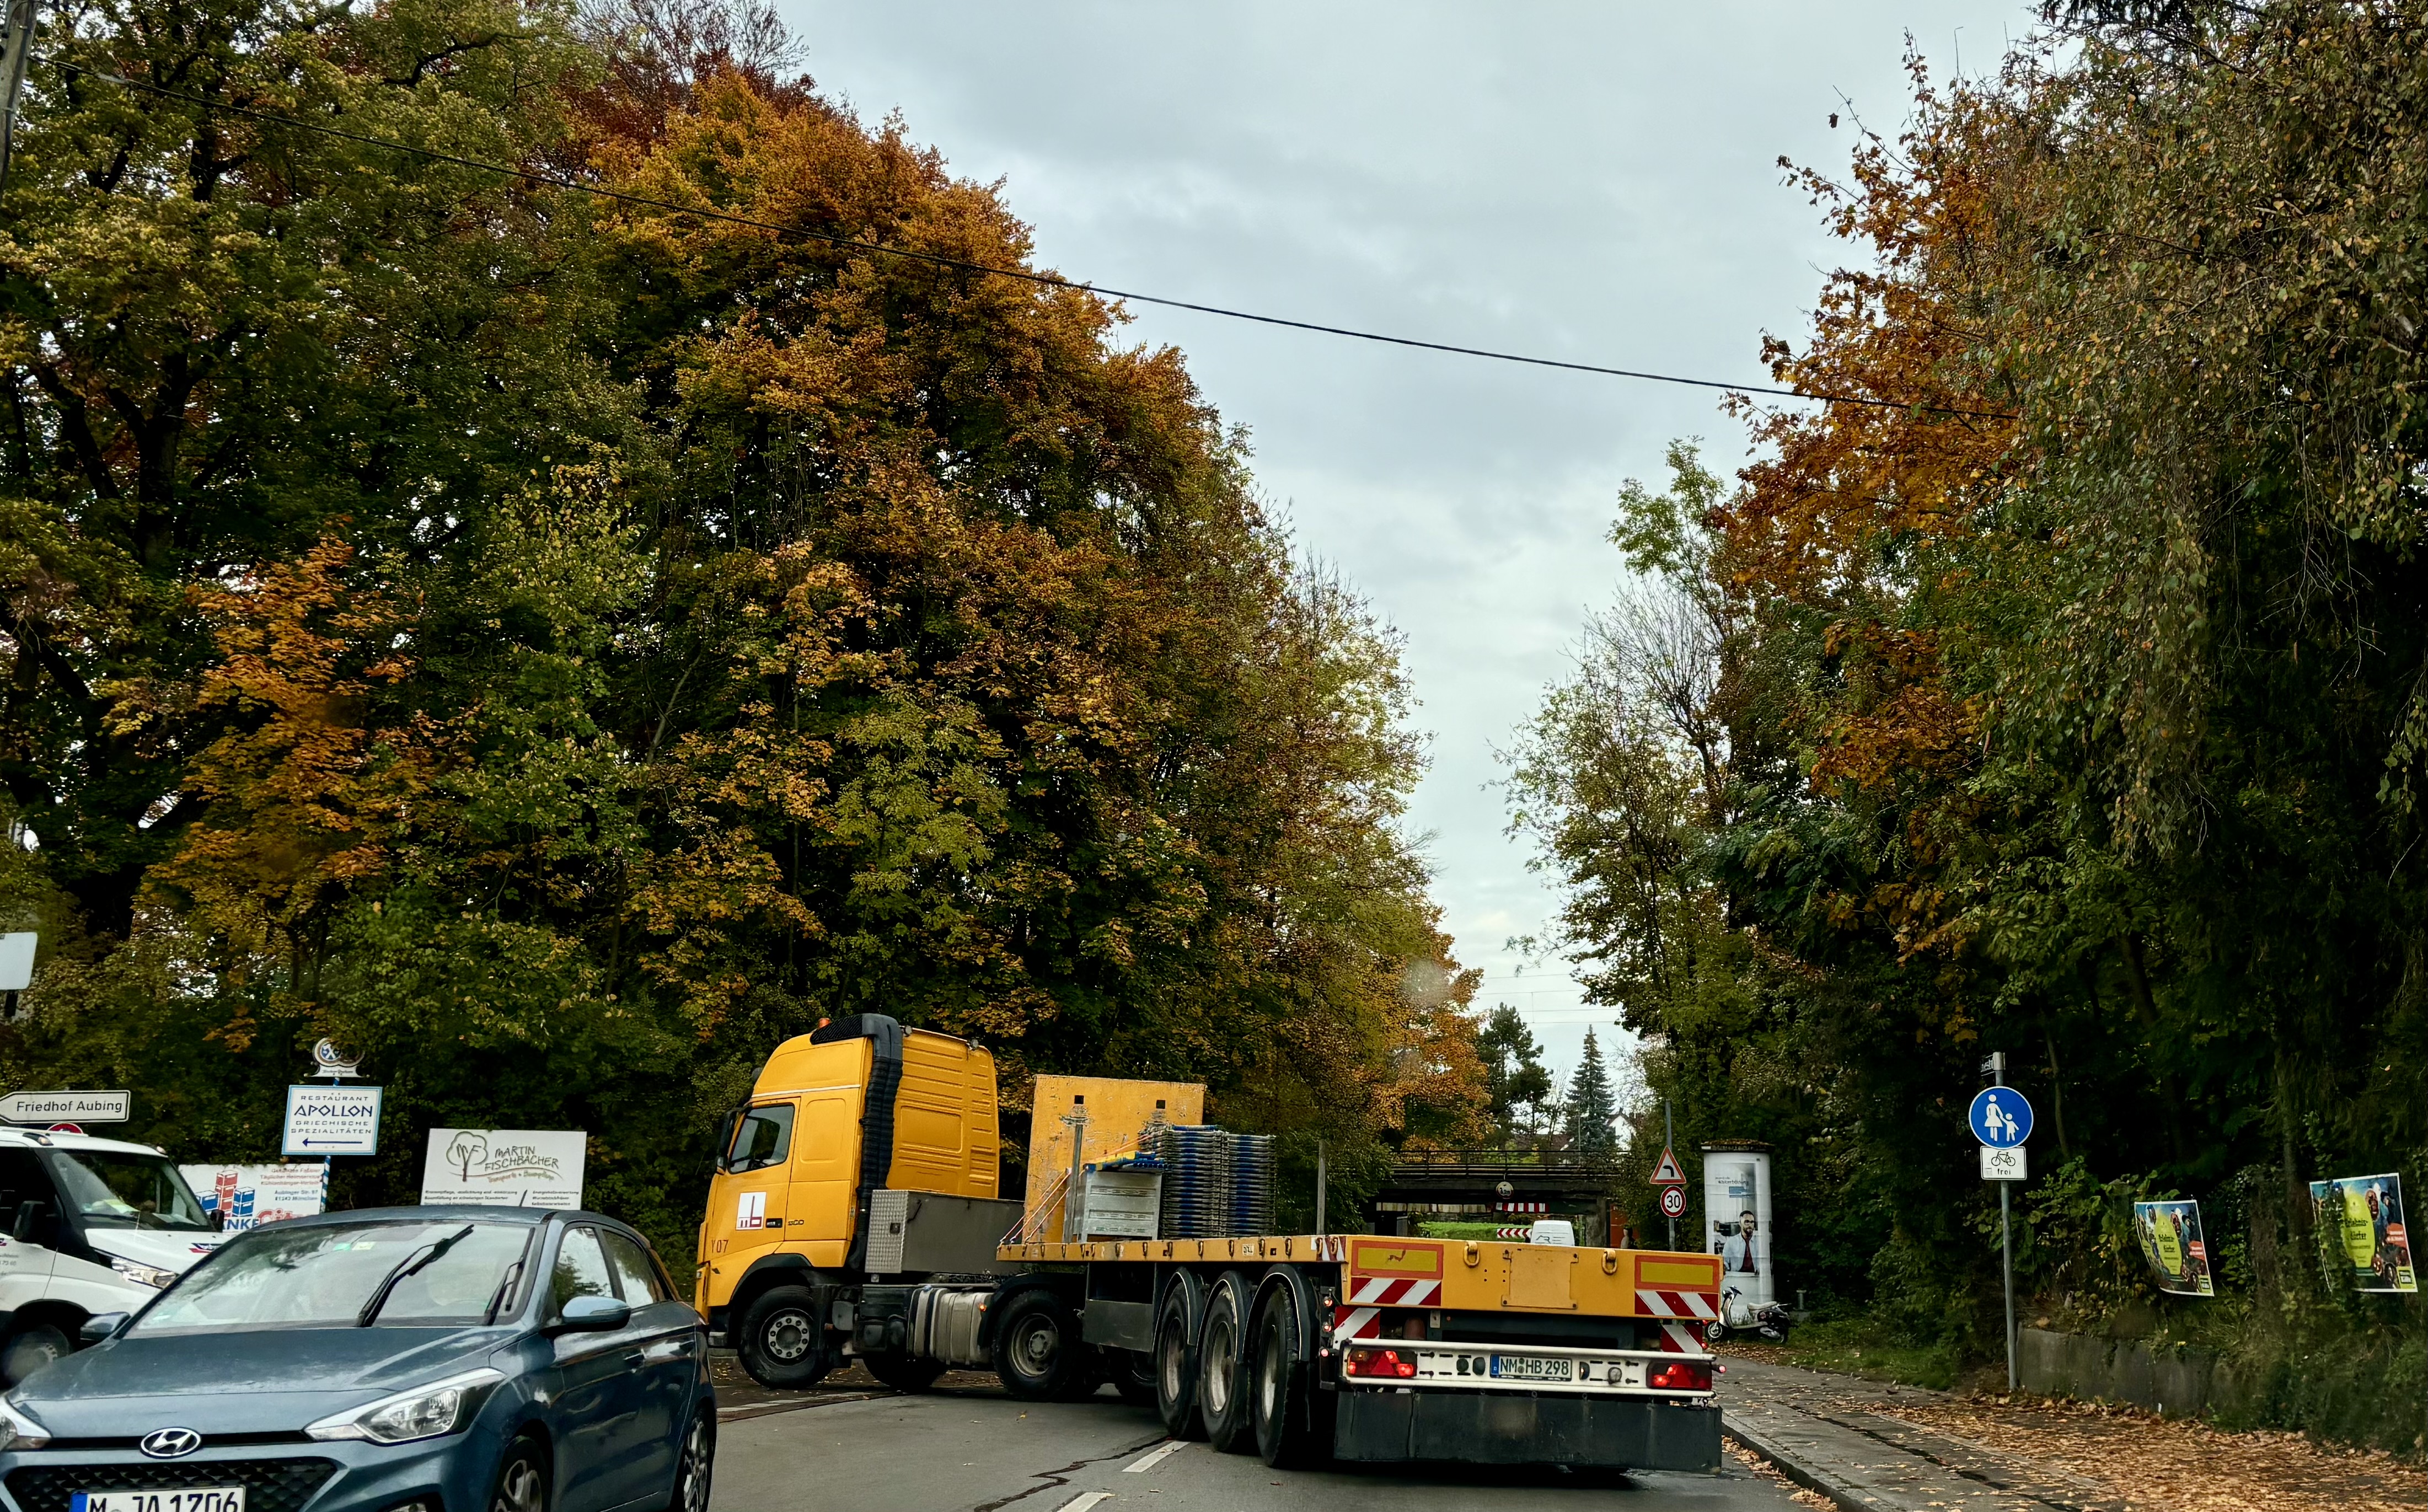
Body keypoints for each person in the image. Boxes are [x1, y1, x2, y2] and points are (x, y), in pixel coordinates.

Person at [1717, 1210, 1759, 1275]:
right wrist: (1724, 1267)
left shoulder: (1759, 1242)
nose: (1750, 1225)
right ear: (1740, 1223)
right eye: (1747, 1222)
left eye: (1752, 1222)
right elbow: (1725, 1261)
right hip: (1737, 1277)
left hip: (1756, 1277)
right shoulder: (1731, 1242)